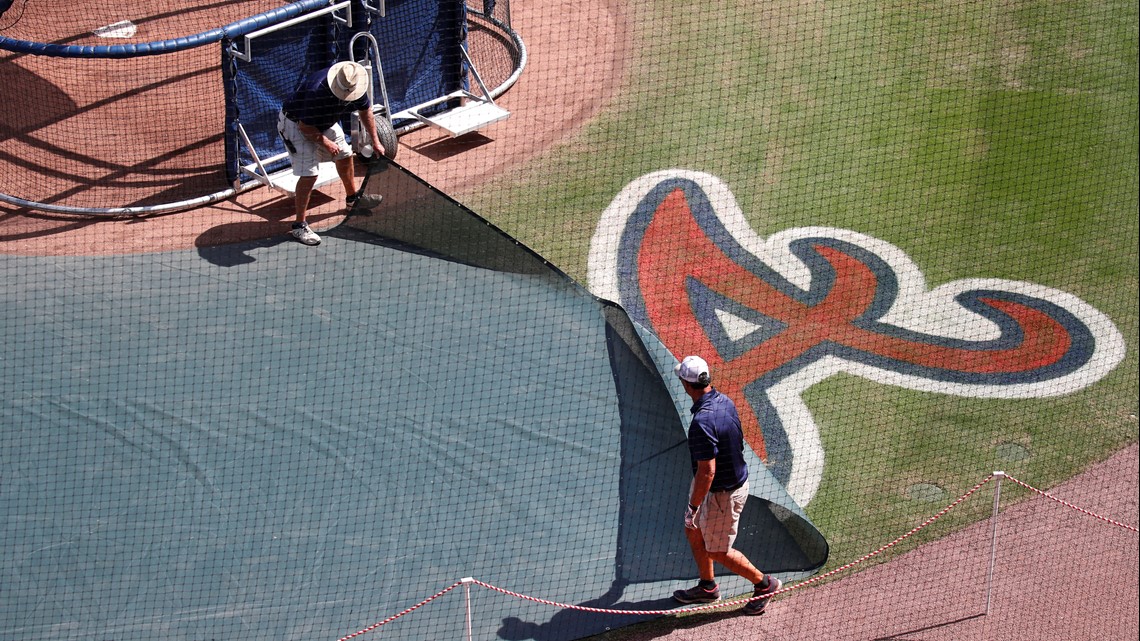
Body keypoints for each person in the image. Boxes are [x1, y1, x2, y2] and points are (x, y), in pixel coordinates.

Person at [671, 355, 782, 616]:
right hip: (716, 487)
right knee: (694, 530)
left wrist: (693, 506)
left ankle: (765, 585)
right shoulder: (725, 401)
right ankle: (708, 587)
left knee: (718, 550)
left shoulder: (701, 423)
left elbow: (707, 471)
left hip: (722, 493)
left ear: (687, 385)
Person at [278, 61, 386, 245]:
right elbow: (305, 127)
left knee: (344, 154)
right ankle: (299, 226)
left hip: (323, 122)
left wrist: (375, 141)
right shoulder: (317, 92)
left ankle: (353, 199)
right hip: (296, 125)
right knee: (309, 174)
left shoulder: (356, 84)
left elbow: (365, 111)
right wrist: (325, 142)